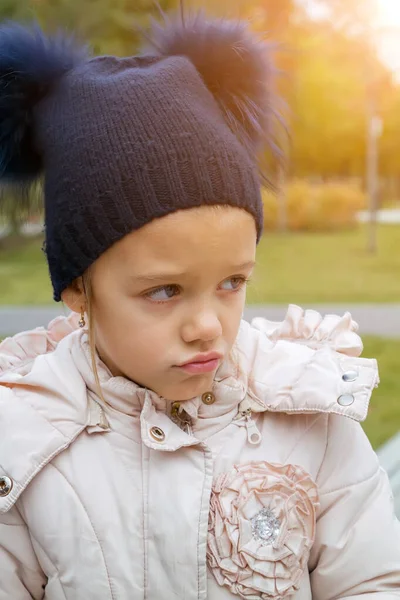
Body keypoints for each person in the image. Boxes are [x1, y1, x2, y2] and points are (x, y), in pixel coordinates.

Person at [0, 8, 399, 600]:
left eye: (233, 282)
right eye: (165, 291)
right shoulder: (24, 441)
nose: (209, 325)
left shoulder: (310, 416)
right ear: (78, 288)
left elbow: (372, 580)